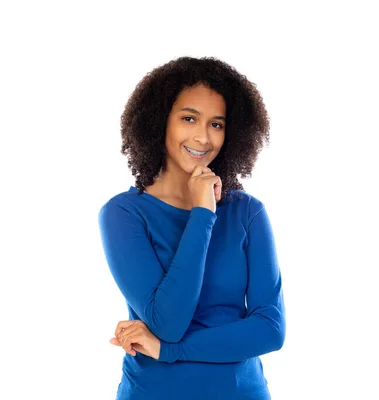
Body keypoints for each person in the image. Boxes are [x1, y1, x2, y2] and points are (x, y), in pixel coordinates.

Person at [98, 56, 285, 400]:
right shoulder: (124, 214)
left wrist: (170, 351)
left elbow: (270, 331)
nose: (203, 137)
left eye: (217, 124)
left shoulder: (248, 212)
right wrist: (202, 213)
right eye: (188, 118)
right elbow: (168, 322)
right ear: (159, 122)